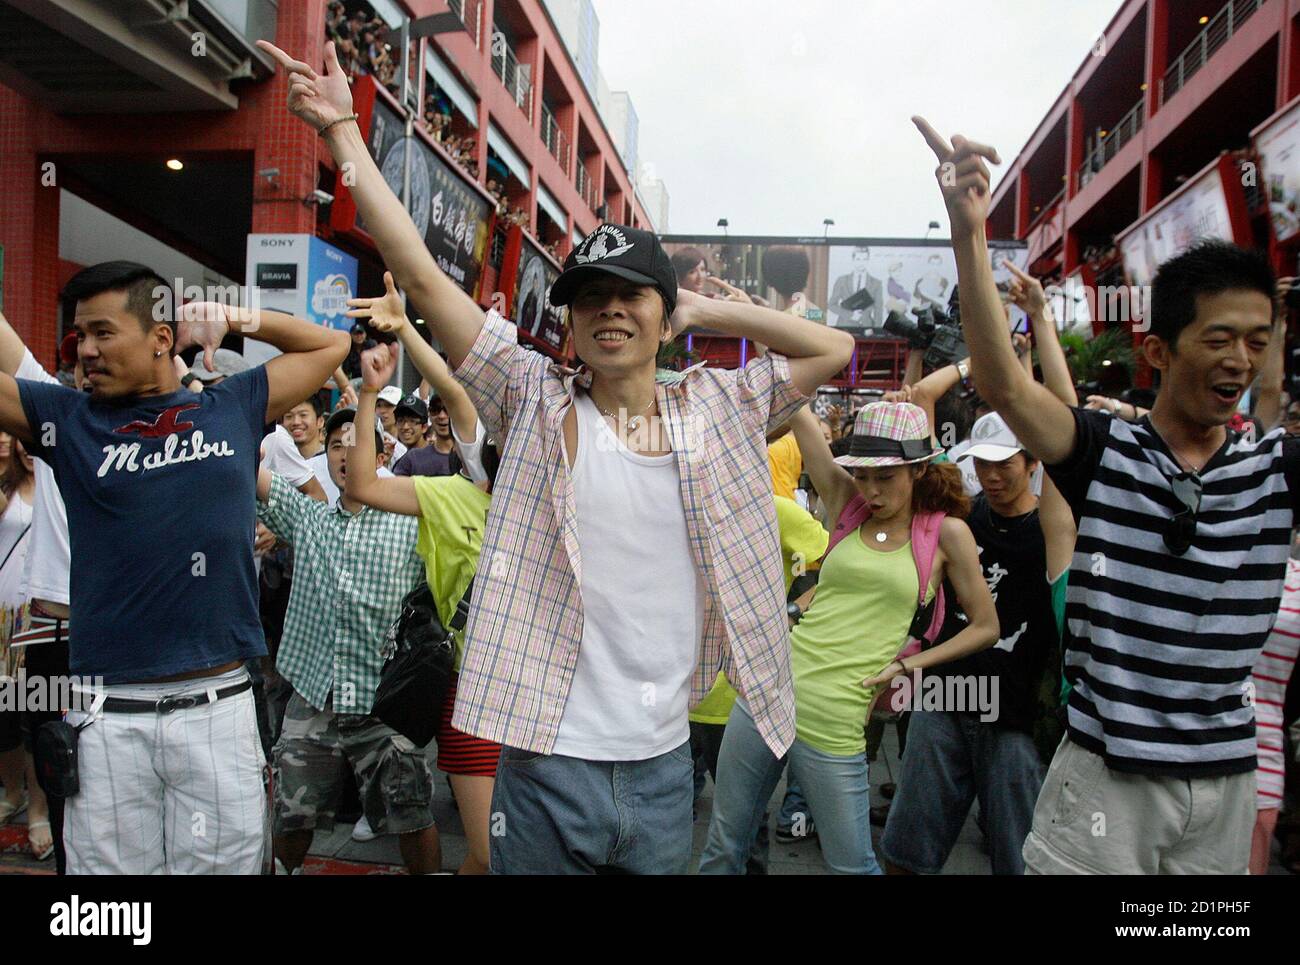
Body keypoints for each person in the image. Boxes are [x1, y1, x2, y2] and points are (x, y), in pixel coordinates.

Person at [257, 35, 855, 874]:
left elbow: (833, 349)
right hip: (543, 757)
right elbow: (426, 279)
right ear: (570, 322)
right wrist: (342, 135)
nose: (610, 312)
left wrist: (716, 314)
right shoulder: (531, 397)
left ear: (661, 314)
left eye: (631, 298)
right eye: (591, 299)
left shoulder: (716, 409)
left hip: (661, 766)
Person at [916, 115, 1298, 874]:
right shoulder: (1104, 452)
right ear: (1158, 350)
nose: (1240, 360)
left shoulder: (1274, 470)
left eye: (1258, 340)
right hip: (1108, 778)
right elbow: (1003, 383)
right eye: (1219, 338)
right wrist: (970, 234)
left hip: (1227, 782)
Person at [0, 260, 350, 874]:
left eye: (104, 333)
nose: (87, 350)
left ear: (162, 337)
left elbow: (331, 343)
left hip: (217, 712)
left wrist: (232, 315)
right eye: (81, 336)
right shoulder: (67, 422)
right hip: (106, 717)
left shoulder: (233, 405)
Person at [700, 402, 998, 874]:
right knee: (724, 845)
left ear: (919, 469)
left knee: (852, 865)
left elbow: (987, 626)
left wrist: (906, 666)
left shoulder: (947, 534)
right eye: (862, 476)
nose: (872, 490)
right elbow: (798, 407)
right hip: (766, 694)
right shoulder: (848, 508)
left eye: (886, 477)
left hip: (837, 713)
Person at [880, 276, 1078, 874]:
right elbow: (919, 403)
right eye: (983, 464)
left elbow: (1070, 422)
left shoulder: (1051, 530)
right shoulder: (964, 513)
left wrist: (1037, 327)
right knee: (906, 854)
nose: (992, 476)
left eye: (1006, 465)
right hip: (941, 696)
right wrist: (973, 360)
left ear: (1033, 460)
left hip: (1012, 715)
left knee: (1018, 861)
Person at [340, 305, 500, 875]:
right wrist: (369, 391)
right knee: (487, 853)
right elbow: (360, 483)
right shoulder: (450, 495)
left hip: (557, 700)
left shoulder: (566, 499)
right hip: (474, 697)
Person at [256, 406, 439, 875]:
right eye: (336, 444)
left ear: (382, 457)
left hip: (385, 700)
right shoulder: (308, 518)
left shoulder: (415, 523)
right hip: (314, 696)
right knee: (291, 815)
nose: (344, 453)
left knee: (411, 815)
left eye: (356, 444)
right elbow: (250, 474)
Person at [829, 246, 883, 331]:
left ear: (868, 260)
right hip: (843, 328)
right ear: (853, 260)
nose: (861, 263)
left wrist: (876, 330)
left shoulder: (876, 284)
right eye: (858, 259)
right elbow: (831, 305)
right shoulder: (842, 280)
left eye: (864, 259)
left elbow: (878, 310)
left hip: (867, 329)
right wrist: (850, 315)